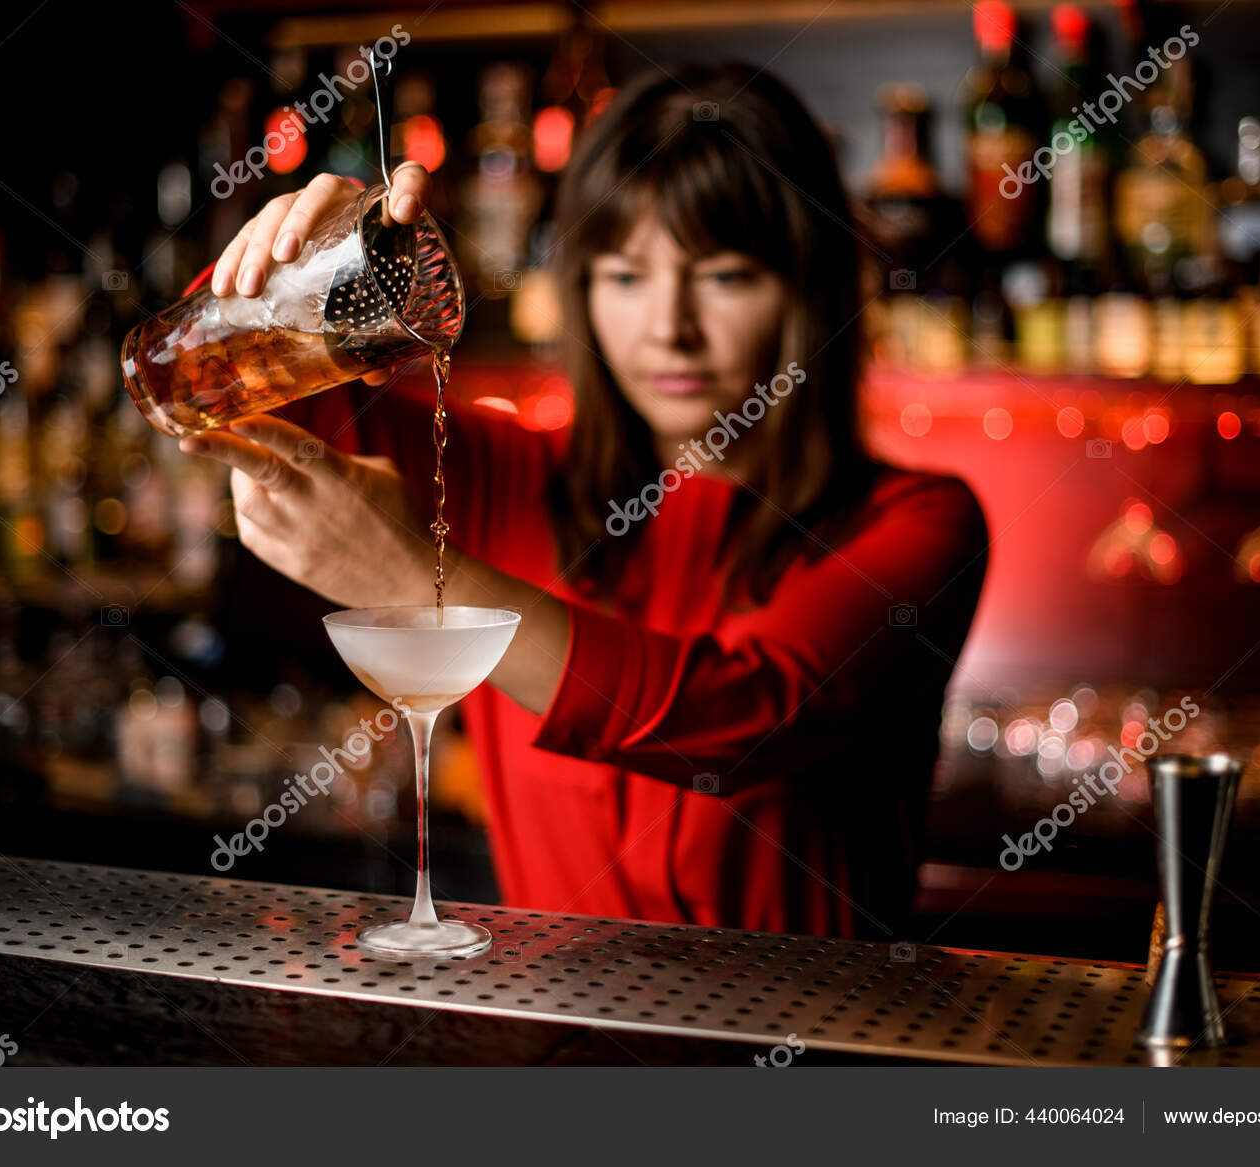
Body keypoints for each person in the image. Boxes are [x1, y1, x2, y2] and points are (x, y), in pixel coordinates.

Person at [179, 62, 988, 940]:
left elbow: (736, 720)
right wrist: (293, 266)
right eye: (625, 276)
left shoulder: (921, 524)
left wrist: (422, 577)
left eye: (723, 276)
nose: (669, 325)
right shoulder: (505, 479)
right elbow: (218, 386)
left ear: (811, 290)